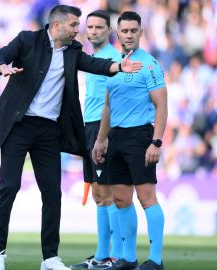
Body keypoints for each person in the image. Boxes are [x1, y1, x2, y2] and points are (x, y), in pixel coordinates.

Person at [0, 5, 142, 270]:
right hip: (18, 126)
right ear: (56, 26)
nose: (77, 30)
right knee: (8, 188)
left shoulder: (73, 50)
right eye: (73, 25)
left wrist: (118, 66)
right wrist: (1, 67)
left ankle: (50, 258)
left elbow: (94, 64)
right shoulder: (27, 39)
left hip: (48, 131)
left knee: (53, 194)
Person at [92, 11, 167, 270]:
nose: (128, 35)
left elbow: (161, 106)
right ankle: (129, 259)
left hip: (140, 136)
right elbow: (107, 108)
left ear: (140, 32)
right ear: (117, 33)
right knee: (121, 199)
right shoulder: (113, 67)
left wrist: (156, 142)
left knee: (146, 198)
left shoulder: (149, 64)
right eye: (124, 31)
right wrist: (101, 140)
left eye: (133, 31)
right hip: (116, 137)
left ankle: (156, 260)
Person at [70, 10, 122, 270]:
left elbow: (114, 104)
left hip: (104, 131)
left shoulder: (113, 59)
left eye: (99, 27)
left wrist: (103, 137)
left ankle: (116, 256)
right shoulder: (93, 58)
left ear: (109, 31)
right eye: (89, 27)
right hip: (89, 128)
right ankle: (103, 255)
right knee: (100, 195)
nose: (92, 31)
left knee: (109, 193)